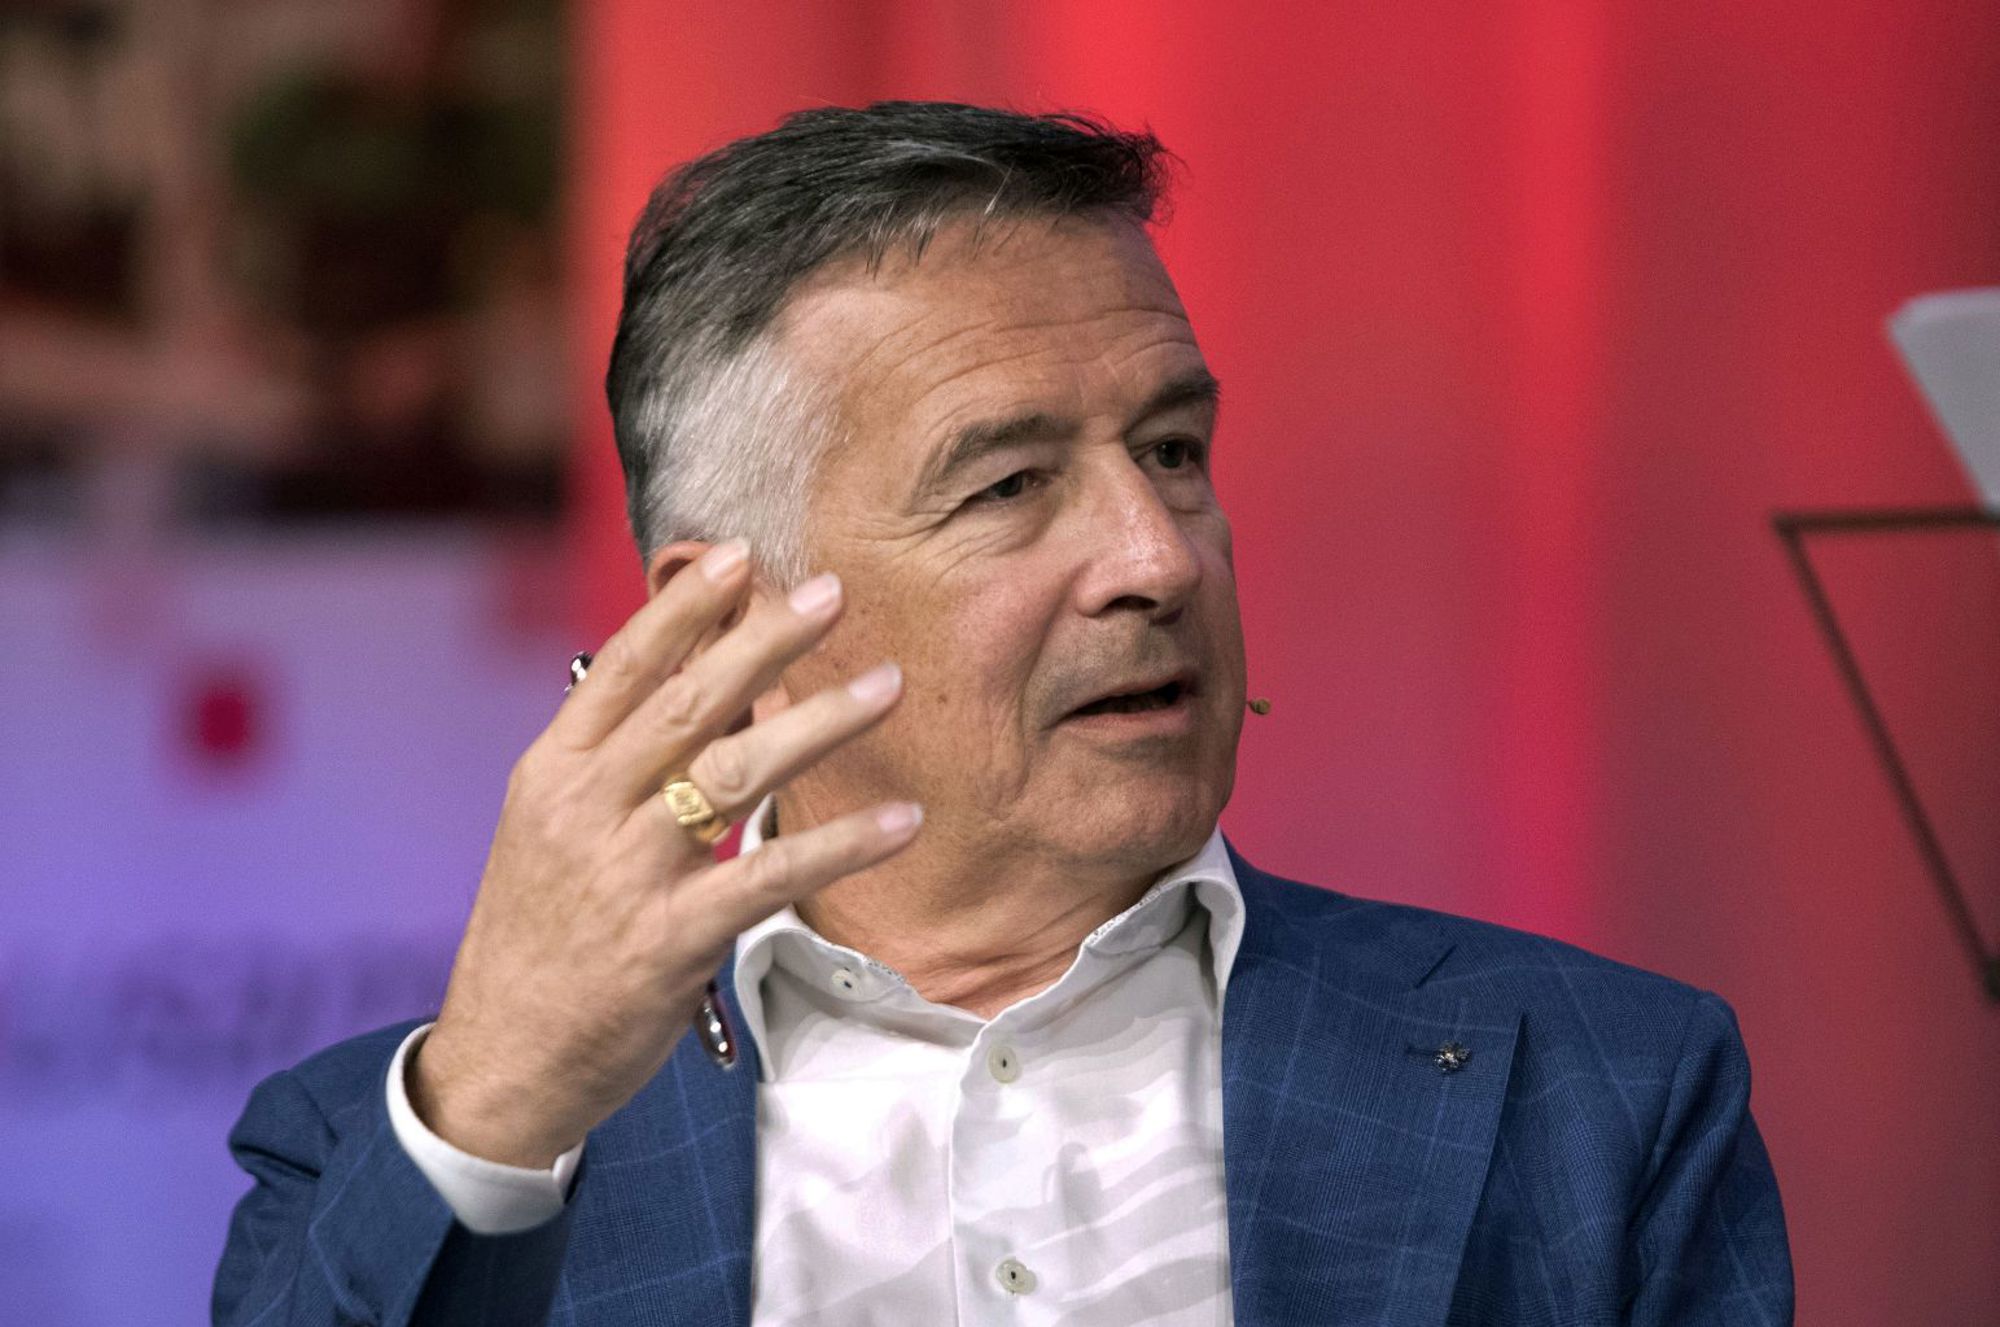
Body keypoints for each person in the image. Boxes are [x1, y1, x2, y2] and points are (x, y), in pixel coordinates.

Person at [213, 102, 1792, 1326]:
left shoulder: (1597, 1088)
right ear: (728, 619)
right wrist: (500, 1107)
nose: (1157, 558)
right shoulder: (411, 1145)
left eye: (1172, 452)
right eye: (1011, 485)